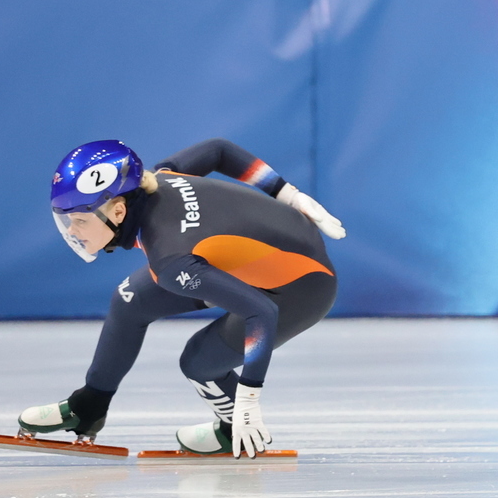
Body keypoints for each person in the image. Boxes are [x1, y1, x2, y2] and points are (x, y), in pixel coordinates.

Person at [21, 138, 344, 457]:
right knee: (130, 300)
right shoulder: (160, 178)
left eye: (79, 220)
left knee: (199, 361)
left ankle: (235, 429)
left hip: (302, 288)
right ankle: (89, 407)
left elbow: (262, 312)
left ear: (119, 211)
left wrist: (249, 399)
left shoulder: (170, 259)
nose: (72, 231)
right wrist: (289, 194)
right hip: (265, 253)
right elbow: (218, 150)